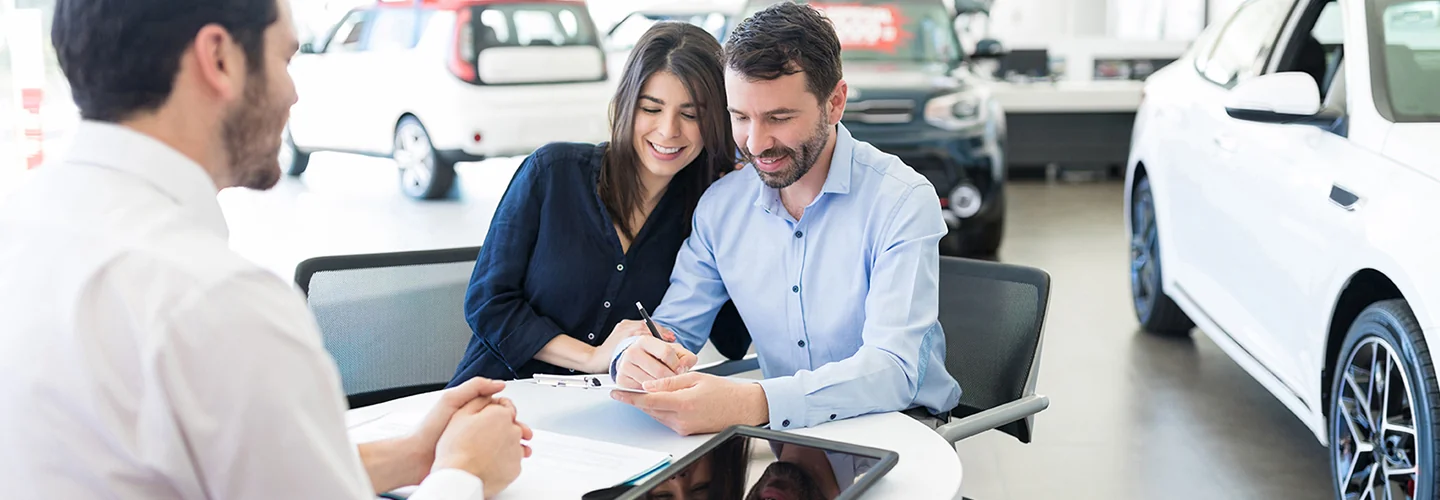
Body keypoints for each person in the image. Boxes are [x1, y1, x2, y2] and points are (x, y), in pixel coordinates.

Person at [0, 0, 531, 498]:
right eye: (285, 57)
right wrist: (464, 475)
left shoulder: (22, 225)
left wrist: (415, 457)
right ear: (220, 59)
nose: (293, 94)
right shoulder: (216, 299)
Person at [607, 3, 962, 436]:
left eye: (778, 118)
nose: (756, 144)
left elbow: (893, 369)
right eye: (740, 117)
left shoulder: (901, 200)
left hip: (900, 426)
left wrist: (754, 401)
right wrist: (636, 355)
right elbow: (674, 331)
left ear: (835, 103)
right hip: (786, 434)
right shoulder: (722, 207)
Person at [450, 22, 748, 384]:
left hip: (609, 417)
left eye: (690, 114)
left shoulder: (703, 213)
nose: (669, 130)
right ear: (625, 105)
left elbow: (733, 341)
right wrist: (594, 357)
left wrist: (741, 208)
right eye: (651, 109)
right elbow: (488, 304)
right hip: (498, 397)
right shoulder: (553, 173)